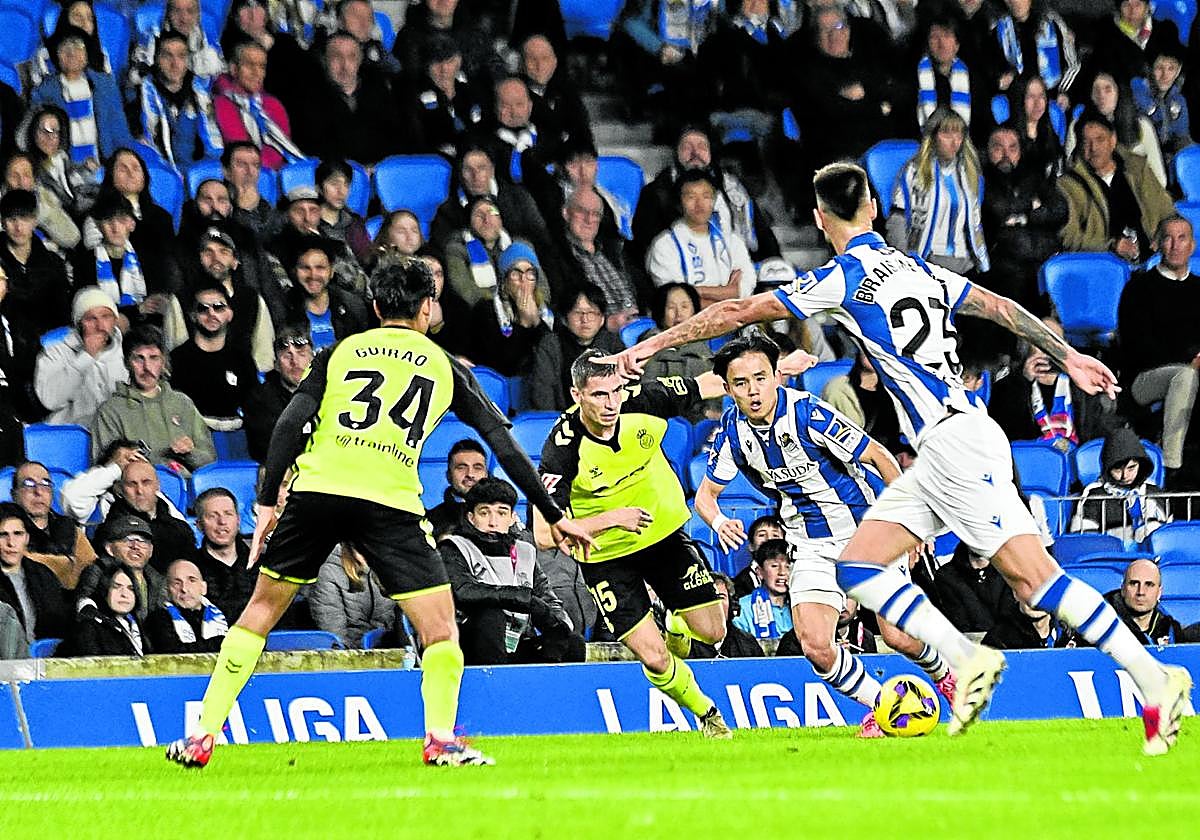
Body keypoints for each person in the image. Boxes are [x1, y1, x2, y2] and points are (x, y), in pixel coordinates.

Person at [607, 159, 1192, 754]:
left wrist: (649, 347)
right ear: (872, 208)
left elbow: (734, 312)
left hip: (953, 442)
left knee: (1035, 580)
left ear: (819, 219)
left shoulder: (843, 277)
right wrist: (1069, 356)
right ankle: (967, 662)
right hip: (956, 437)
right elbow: (1001, 308)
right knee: (859, 567)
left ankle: (1149, 677)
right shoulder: (921, 268)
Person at [166, 256, 592, 769]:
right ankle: (441, 739)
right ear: (428, 307)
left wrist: (266, 501)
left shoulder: (340, 352)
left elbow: (290, 424)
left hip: (318, 491)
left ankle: (202, 734)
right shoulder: (444, 366)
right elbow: (502, 441)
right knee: (440, 629)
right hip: (388, 500)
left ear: (374, 306)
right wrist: (551, 511)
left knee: (259, 612)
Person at [695, 333, 956, 735]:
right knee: (815, 644)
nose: (753, 391)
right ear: (728, 390)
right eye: (741, 383)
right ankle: (883, 706)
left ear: (776, 376)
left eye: (761, 378)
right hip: (809, 543)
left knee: (897, 637)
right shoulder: (733, 430)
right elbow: (705, 496)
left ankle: (946, 674)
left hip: (864, 532)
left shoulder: (808, 413)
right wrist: (717, 522)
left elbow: (879, 455)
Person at [533, 349, 733, 739]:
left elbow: (710, 383)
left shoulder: (644, 399)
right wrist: (610, 518)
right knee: (654, 656)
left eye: (616, 391)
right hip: (605, 555)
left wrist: (769, 375)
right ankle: (708, 714)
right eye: (599, 395)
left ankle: (674, 619)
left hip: (661, 536)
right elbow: (543, 535)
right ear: (577, 395)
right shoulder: (561, 447)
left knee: (713, 632)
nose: (611, 404)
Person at [442, 477, 585, 665]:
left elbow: (549, 601)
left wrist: (559, 625)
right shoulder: (453, 547)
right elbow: (464, 592)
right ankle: (494, 683)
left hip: (516, 642)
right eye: (484, 513)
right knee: (490, 616)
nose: (493, 522)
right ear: (471, 517)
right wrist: (523, 599)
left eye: (502, 513)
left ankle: (551, 682)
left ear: (512, 518)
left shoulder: (525, 551)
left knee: (572, 641)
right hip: (466, 644)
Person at [1117, 215, 1200, 486]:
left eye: (1182, 238)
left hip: (1193, 369)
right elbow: (1138, 348)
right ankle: (1171, 467)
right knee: (1185, 376)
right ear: (1157, 244)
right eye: (1168, 238)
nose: (1175, 245)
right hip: (1145, 378)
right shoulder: (1138, 289)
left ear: (1192, 245)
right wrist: (1190, 361)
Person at [632, 125, 780, 269]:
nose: (695, 153)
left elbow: (764, 237)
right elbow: (646, 249)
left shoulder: (734, 190)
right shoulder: (656, 193)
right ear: (676, 153)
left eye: (702, 147)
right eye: (687, 147)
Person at [91, 326, 216, 475]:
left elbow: (210, 461)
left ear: (163, 361)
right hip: (137, 486)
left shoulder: (182, 403)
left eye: (154, 357)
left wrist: (189, 453)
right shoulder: (110, 411)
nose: (147, 367)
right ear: (126, 363)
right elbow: (102, 471)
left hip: (185, 484)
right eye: (139, 358)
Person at [988, 317, 1122, 448]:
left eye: (1054, 341)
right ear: (1028, 345)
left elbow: (1098, 433)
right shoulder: (1007, 386)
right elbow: (1005, 430)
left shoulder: (1081, 386)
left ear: (1066, 346)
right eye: (1040, 340)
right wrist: (1024, 382)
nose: (1047, 348)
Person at [1058, 111, 1173, 262]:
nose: (1094, 148)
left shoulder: (1137, 168)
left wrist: (1162, 235)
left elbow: (1166, 210)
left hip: (1151, 258)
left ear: (1113, 140)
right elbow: (1069, 237)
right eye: (1086, 142)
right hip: (1104, 263)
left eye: (1100, 139)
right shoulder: (1068, 185)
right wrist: (1111, 245)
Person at [888, 107, 989, 277]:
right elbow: (897, 220)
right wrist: (905, 263)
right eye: (947, 134)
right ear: (933, 136)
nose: (954, 141)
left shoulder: (969, 174)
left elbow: (975, 223)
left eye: (959, 134)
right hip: (926, 260)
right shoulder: (913, 172)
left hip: (965, 262)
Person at [981, 124, 1066, 313]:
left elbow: (1060, 210)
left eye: (1012, 148)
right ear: (987, 150)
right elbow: (998, 213)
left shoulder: (1033, 178)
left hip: (1042, 262)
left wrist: (1027, 216)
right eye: (998, 147)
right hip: (1005, 269)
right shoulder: (982, 181)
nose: (1006, 154)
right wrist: (1033, 205)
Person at [292, 33, 405, 166]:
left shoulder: (380, 93)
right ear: (325, 60)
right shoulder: (309, 99)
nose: (344, 65)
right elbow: (311, 147)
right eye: (336, 56)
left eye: (351, 57)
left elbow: (395, 139)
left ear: (360, 60)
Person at [645, 169, 756, 305]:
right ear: (679, 203)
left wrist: (698, 291)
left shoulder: (732, 241)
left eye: (706, 196)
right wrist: (726, 292)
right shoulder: (664, 245)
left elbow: (745, 289)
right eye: (691, 197)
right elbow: (679, 301)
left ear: (714, 200)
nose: (699, 204)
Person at [30, 25, 133, 167]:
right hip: (64, 170)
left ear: (86, 54)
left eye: (78, 46)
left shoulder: (106, 86)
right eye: (64, 48)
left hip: (104, 167)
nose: (71, 53)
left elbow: (120, 132)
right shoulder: (43, 93)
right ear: (56, 56)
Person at [170, 284, 259, 428]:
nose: (211, 313)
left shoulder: (243, 360)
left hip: (237, 435)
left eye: (218, 307)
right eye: (203, 308)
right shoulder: (177, 359)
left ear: (230, 314)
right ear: (192, 316)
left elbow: (254, 408)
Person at [138, 30, 225, 173]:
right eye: (167, 56)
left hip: (197, 172)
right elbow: (149, 141)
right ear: (156, 59)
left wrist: (209, 171)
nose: (175, 63)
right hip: (161, 172)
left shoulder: (199, 91)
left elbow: (213, 140)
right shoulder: (144, 91)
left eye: (181, 56)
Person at [528, 285, 624, 412]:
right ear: (564, 319)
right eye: (578, 313)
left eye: (591, 312)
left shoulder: (613, 343)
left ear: (602, 319)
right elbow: (543, 393)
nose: (585, 319)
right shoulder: (551, 345)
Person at [466, 241, 553, 377]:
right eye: (516, 274)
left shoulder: (545, 311)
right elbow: (504, 366)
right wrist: (523, 324)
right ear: (505, 281)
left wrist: (536, 322)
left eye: (530, 273)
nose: (523, 280)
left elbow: (552, 356)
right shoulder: (486, 310)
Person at [212, 40, 303, 170]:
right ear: (234, 69)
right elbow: (238, 146)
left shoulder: (273, 104)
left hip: (277, 172)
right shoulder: (222, 104)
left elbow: (282, 149)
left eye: (261, 66)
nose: (257, 72)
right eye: (250, 65)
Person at [1065, 72, 1167, 188]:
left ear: (1119, 91)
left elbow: (1159, 178)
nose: (1101, 95)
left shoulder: (1142, 126)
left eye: (1107, 89)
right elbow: (1070, 172)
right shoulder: (1077, 126)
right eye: (1096, 90)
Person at [1070, 429, 1170, 544]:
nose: (1125, 476)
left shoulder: (1153, 492)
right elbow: (1083, 539)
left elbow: (1165, 536)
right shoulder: (1095, 495)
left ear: (1141, 465)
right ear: (1107, 468)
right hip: (1109, 553)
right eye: (1117, 470)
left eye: (1131, 468)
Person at [99, 460, 197, 571]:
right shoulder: (110, 532)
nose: (139, 491)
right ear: (121, 489)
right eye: (132, 484)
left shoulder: (180, 529)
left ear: (158, 485)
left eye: (146, 483)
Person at [12, 462, 96, 589]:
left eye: (45, 484)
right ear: (14, 494)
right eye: (29, 484)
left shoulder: (69, 528)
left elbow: (92, 569)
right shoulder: (6, 529)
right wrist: (66, 565)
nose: (38, 491)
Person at [0, 188, 72, 336]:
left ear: (34, 221)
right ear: (2, 222)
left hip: (49, 341)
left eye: (24, 219)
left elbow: (63, 312)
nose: (18, 227)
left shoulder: (53, 263)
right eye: (12, 219)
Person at [281, 236, 371, 351]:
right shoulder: (282, 308)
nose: (313, 275)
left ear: (331, 271)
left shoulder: (352, 306)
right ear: (294, 271)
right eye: (305, 268)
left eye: (320, 268)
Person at [0, 503, 72, 645]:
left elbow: (60, 626)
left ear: (27, 538)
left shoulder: (44, 575)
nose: (11, 543)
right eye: (3, 535)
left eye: (18, 534)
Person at [21, 104, 101, 224]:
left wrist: (85, 168)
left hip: (78, 212)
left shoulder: (60, 157)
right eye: (44, 131)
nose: (50, 137)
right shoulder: (28, 169)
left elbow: (71, 179)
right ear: (33, 133)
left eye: (55, 131)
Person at [243, 327, 314, 462]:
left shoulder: (331, 393)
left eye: (301, 354)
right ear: (276, 365)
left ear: (313, 358)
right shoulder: (260, 401)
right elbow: (268, 448)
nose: (295, 362)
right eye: (287, 356)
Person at [991, 0, 1080, 105]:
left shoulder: (1052, 23)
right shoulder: (1000, 29)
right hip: (1018, 100)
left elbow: (1073, 65)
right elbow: (994, 70)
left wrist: (1063, 91)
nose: (1015, 2)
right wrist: (1002, 80)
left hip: (1052, 97)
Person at [309, 545, 397, 648]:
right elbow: (335, 636)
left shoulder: (390, 561)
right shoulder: (328, 570)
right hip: (348, 651)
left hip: (385, 646)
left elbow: (392, 623)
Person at [191, 487, 257, 620]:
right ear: (199, 525)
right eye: (212, 516)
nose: (222, 522)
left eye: (228, 514)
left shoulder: (261, 562)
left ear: (238, 520)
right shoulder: (191, 568)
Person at [144, 559, 230, 653]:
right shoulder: (158, 619)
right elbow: (173, 652)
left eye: (192, 581)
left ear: (203, 588)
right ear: (167, 590)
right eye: (177, 583)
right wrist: (221, 643)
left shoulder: (225, 615)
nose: (184, 589)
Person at [1, 152, 81, 253]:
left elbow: (73, 238)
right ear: (5, 179)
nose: (21, 182)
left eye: (26, 175)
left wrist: (42, 214)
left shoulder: (43, 196)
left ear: (33, 179)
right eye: (14, 176)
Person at [63, 562, 148, 657]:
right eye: (116, 587)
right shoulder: (89, 627)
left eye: (131, 589)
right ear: (105, 591)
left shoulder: (137, 624)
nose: (124, 594)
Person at [1108, 559, 1185, 646]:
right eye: (1134, 584)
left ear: (1159, 592)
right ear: (1123, 589)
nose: (1141, 592)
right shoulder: (1101, 624)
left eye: (1149, 585)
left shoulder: (1171, 630)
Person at [689, 571, 764, 658]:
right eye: (708, 599)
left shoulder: (748, 643)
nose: (716, 605)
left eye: (721, 597)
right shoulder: (684, 644)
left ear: (731, 604)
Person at [730, 539, 793, 641]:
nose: (782, 572)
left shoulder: (803, 605)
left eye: (788, 566)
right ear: (759, 572)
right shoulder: (743, 608)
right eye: (774, 566)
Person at [427, 439, 488, 539]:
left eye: (477, 468)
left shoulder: (502, 517)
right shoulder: (430, 522)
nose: (470, 474)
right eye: (461, 467)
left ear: (486, 475)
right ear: (448, 475)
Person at [730, 514, 783, 598]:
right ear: (751, 546)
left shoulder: (793, 574)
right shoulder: (741, 582)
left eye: (775, 535)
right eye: (762, 535)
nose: (769, 538)